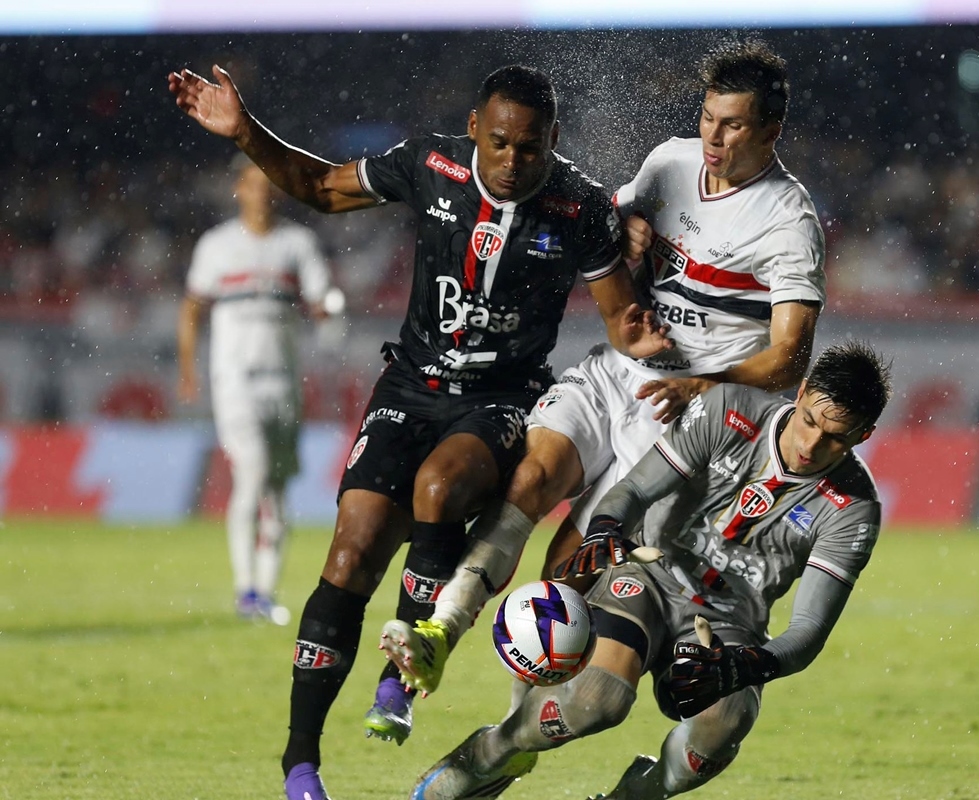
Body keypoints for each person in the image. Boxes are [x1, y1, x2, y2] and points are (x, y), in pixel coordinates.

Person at [168, 63, 671, 800]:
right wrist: (245, 132)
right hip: (409, 385)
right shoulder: (428, 164)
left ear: (551, 142)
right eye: (498, 142)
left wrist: (651, 334)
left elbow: (619, 319)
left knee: (441, 485)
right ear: (474, 129)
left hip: (502, 397)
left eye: (529, 148)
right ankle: (300, 764)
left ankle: (401, 673)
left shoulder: (580, 208)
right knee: (352, 549)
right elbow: (320, 188)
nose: (511, 160)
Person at [385, 40, 826, 708]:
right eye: (709, 117)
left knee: (569, 562)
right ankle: (439, 635)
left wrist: (705, 387)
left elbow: (791, 356)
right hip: (619, 372)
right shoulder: (670, 161)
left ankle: (516, 729)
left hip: (686, 418)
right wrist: (630, 225)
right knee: (528, 481)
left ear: (771, 130)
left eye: (734, 124)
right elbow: (597, 229)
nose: (714, 135)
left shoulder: (789, 220)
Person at [408, 340, 892, 800]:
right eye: (809, 421)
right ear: (802, 391)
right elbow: (633, 491)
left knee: (725, 721)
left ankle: (642, 791)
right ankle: (493, 751)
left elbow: (808, 630)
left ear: (863, 436)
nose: (811, 444)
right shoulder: (729, 410)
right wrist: (604, 529)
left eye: (835, 438)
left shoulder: (854, 508)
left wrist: (747, 665)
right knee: (597, 700)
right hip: (647, 577)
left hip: (726, 623)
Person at [177, 156, 336, 624]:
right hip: (235, 381)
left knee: (279, 490)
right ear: (238, 190)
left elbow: (321, 303)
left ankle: (264, 594)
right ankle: (246, 590)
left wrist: (330, 314)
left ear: (278, 192)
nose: (261, 193)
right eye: (252, 183)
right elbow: (191, 308)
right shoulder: (218, 245)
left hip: (283, 382)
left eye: (268, 185)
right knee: (253, 473)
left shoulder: (297, 244)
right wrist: (188, 369)